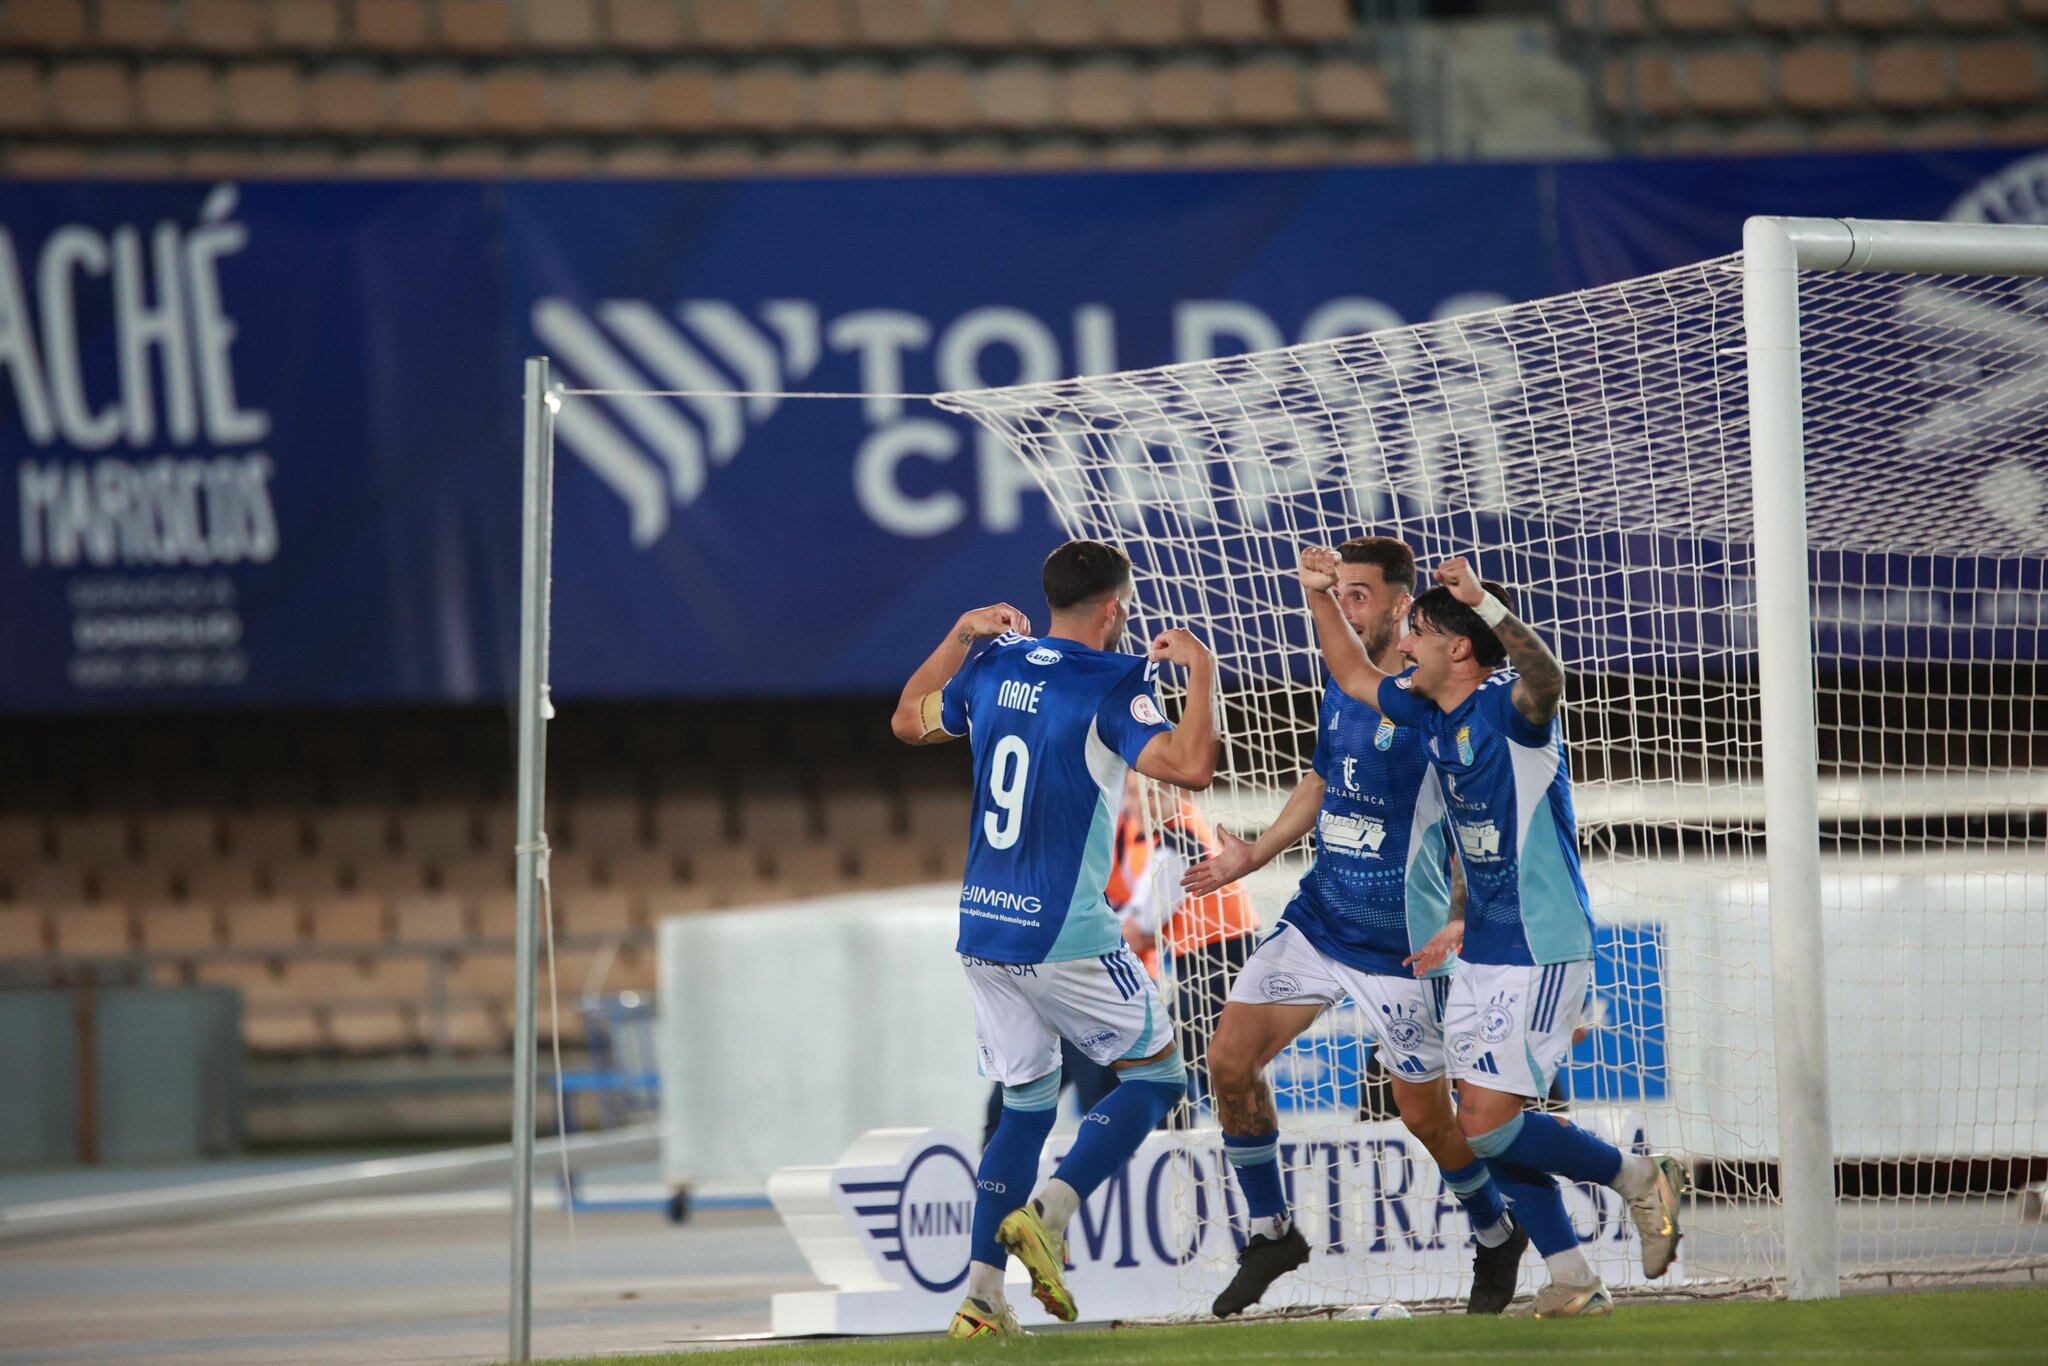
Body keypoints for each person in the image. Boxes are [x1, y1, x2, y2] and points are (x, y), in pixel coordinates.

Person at [1300, 545, 1687, 1319]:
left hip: (1542, 943)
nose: (1402, 644)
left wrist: (1487, 603)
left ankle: (1637, 1179)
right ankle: (1574, 1275)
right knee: (1478, 1133)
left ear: (1460, 646)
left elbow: (1551, 679)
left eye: (1416, 632)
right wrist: (1317, 597)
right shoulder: (1426, 710)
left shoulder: (1511, 712)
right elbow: (1350, 675)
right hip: (1484, 945)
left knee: (1487, 1123)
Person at [1183, 536, 1526, 1318]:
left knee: (1428, 1120)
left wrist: (1469, 920)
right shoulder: (1346, 686)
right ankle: (1271, 1233)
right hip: (1319, 920)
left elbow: (1482, 821)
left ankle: (1495, 1231)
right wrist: (1256, 853)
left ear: (1404, 604)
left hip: (1397, 947)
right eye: (1341, 592)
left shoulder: (1438, 701)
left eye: (1359, 594)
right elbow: (1322, 776)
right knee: (1229, 1062)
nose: (1348, 605)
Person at [890, 539, 1220, 1338]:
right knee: (1159, 1076)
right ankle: (1051, 1209)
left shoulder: (994, 660)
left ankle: (979, 1302)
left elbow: (906, 720)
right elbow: (1190, 765)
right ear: (1114, 608)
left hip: (983, 928)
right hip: (1065, 931)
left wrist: (961, 634)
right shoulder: (1116, 680)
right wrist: (1202, 671)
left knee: (1025, 1109)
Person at [1107, 770, 1260, 1125]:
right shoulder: (1174, 833)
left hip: (1220, 959)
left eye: (1141, 796)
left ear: (1170, 796)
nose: (1131, 807)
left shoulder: (1178, 839)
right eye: (1128, 796)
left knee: (1163, 1063)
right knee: (1209, 1070)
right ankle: (1232, 1147)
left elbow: (1144, 923)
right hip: (1211, 960)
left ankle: (1175, 1150)